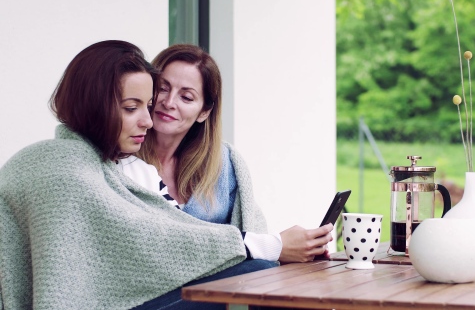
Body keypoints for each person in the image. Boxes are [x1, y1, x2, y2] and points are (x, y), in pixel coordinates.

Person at [0, 40, 277, 310]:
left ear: (205, 112)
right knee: (261, 275)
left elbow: (168, 234)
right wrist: (263, 245)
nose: (151, 116)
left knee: (267, 275)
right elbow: (149, 243)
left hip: (165, 291)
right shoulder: (65, 167)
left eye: (147, 105)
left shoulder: (145, 169)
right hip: (136, 300)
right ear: (94, 105)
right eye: (132, 108)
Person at [122, 44, 333, 263]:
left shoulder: (223, 164)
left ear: (204, 112)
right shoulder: (122, 163)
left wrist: (292, 250)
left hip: (221, 286)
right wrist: (274, 247)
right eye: (162, 88)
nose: (169, 102)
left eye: (186, 97)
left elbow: (253, 230)